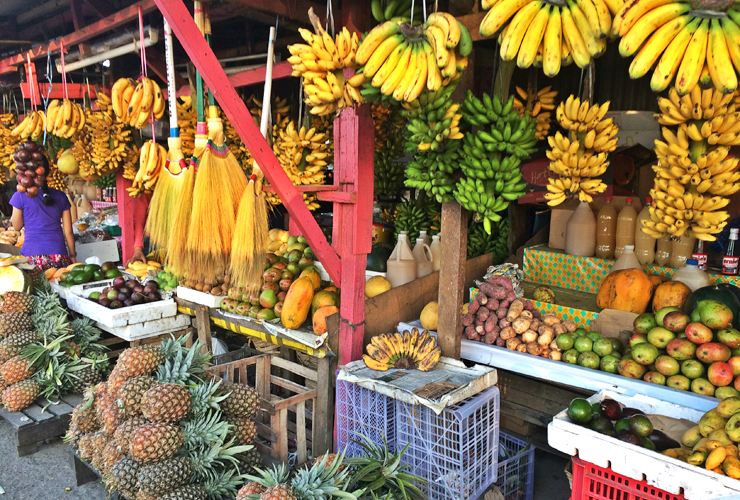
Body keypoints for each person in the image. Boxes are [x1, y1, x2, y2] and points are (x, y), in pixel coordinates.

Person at [10, 156, 76, 270]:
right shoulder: (60, 196)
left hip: (31, 257)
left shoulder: (19, 196)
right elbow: (68, 232)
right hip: (59, 255)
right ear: (47, 172)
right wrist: (73, 256)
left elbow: (16, 226)